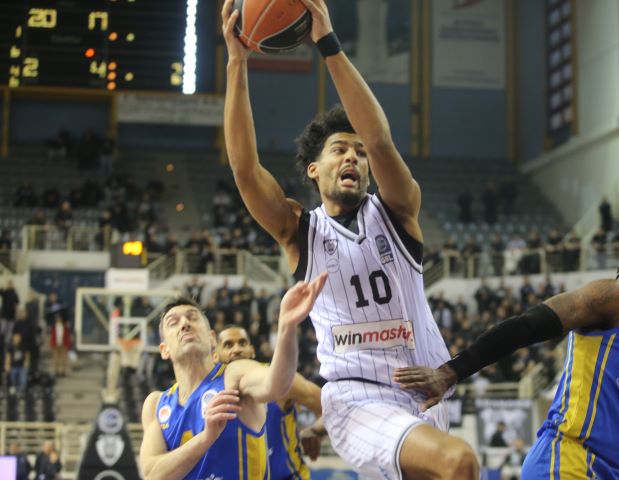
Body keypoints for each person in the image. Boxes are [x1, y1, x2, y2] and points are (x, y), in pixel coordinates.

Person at [221, 0, 478, 477]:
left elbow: (379, 139)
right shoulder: (300, 231)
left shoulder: (398, 209)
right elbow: (244, 170)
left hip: (427, 392)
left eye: (359, 153)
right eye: (339, 150)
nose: (353, 158)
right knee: (460, 461)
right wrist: (237, 63)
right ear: (313, 170)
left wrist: (328, 42)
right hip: (356, 400)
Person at [395, 233, 619, 479]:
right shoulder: (615, 299)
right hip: (566, 457)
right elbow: (528, 325)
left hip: (609, 470)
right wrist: (452, 371)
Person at [138, 273, 327, 480]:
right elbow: (152, 475)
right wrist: (206, 438)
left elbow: (277, 385)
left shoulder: (233, 375)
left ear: (212, 339)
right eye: (173, 322)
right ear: (164, 350)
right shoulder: (155, 404)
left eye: (192, 317)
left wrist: (287, 329)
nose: (184, 324)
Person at [215, 326, 325, 479]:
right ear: (215, 356)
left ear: (252, 350)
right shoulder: (209, 394)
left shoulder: (279, 379)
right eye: (228, 345)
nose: (237, 349)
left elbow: (329, 405)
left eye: (242, 343)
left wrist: (315, 431)